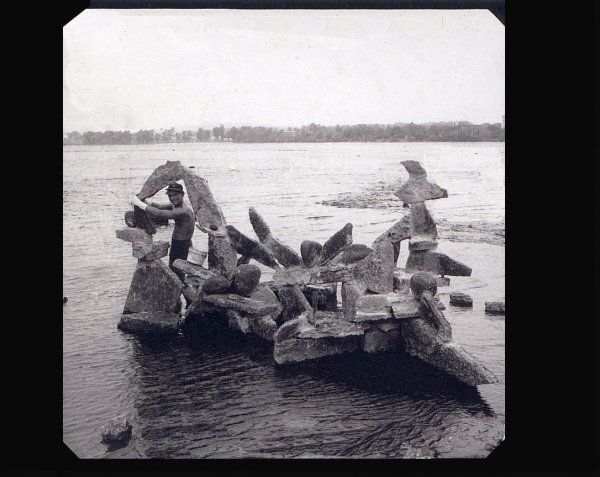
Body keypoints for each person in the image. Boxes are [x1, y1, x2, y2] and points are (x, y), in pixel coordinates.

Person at [131, 182, 195, 282]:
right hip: (182, 241)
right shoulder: (177, 204)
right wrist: (148, 201)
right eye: (170, 196)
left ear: (182, 194)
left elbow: (160, 213)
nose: (173, 198)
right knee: (177, 269)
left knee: (176, 270)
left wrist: (140, 204)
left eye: (175, 195)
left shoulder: (182, 211)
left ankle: (181, 291)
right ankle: (181, 289)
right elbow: (160, 206)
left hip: (181, 244)